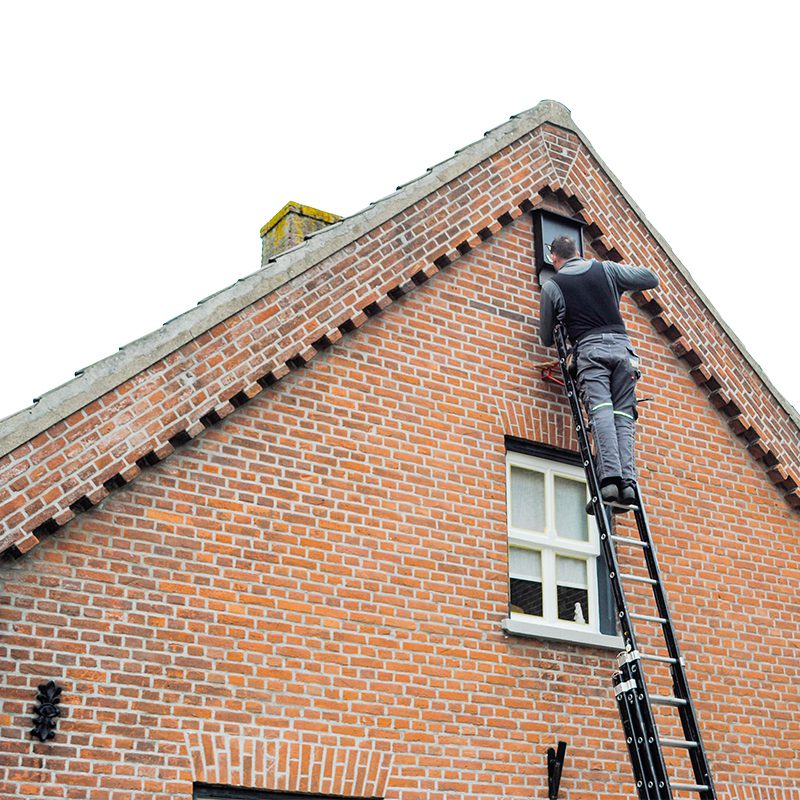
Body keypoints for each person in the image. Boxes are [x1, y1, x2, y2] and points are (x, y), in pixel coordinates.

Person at [538, 236, 659, 511]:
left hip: (590, 353)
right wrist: (615, 290)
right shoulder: (607, 269)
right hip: (624, 353)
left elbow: (546, 337)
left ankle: (610, 482)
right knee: (623, 416)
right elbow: (650, 278)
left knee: (602, 411)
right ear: (579, 253)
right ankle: (628, 485)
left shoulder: (553, 285)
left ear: (554, 259)